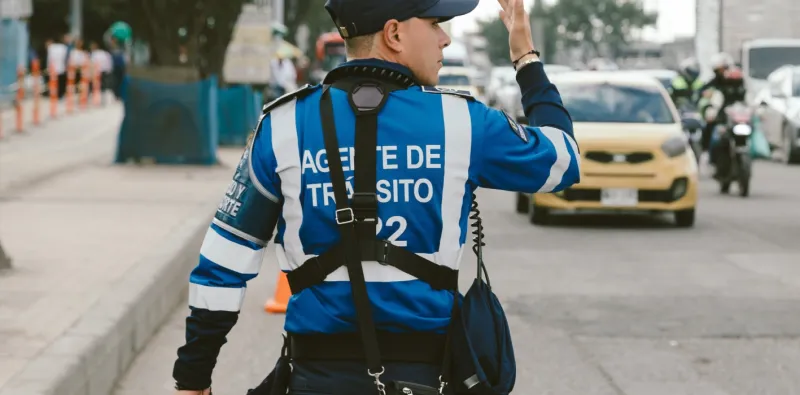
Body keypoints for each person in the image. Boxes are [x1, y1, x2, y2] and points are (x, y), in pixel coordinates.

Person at [171, 0, 580, 393]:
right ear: (394, 34)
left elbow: (223, 263)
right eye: (434, 24)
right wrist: (525, 57)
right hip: (427, 378)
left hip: (313, 379)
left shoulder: (282, 124)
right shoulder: (463, 122)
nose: (445, 39)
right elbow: (563, 161)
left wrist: (193, 375)